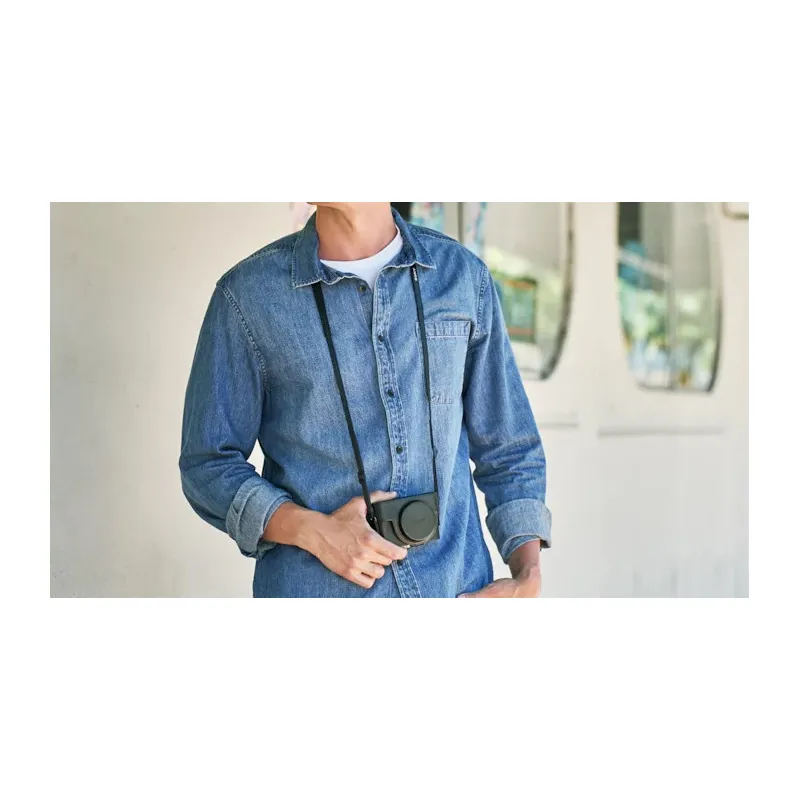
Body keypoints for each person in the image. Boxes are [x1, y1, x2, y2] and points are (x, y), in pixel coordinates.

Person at [179, 203, 551, 598]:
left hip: (453, 589)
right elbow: (208, 464)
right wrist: (313, 531)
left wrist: (527, 575)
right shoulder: (248, 295)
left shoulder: (462, 277)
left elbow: (509, 447)